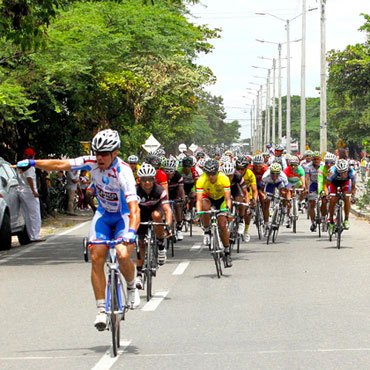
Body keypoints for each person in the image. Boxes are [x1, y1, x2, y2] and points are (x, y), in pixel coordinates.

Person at [16, 129, 140, 331]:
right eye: (97, 153)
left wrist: (132, 232)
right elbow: (59, 165)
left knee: (122, 253)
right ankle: (101, 309)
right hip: (103, 215)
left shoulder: (124, 171)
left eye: (104, 154)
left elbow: (134, 208)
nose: (99, 158)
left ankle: (132, 284)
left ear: (115, 153)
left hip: (122, 216)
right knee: (96, 254)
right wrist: (32, 163)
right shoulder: (90, 162)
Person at [135, 163, 172, 289]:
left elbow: (167, 210)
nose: (147, 183)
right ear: (139, 180)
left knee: (157, 215)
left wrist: (168, 225)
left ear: (154, 179)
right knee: (140, 244)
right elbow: (129, 211)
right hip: (141, 213)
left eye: (150, 179)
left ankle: (161, 245)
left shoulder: (159, 190)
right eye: (144, 180)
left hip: (156, 209)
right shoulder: (134, 191)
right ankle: (139, 274)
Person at [196, 159, 232, 267]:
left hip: (221, 200)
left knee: (222, 225)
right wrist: (198, 214)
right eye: (208, 174)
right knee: (204, 207)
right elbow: (198, 200)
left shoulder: (224, 178)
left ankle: (227, 251)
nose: (211, 176)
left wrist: (228, 211)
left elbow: (228, 198)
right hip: (208, 198)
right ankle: (207, 230)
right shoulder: (201, 180)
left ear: (217, 172)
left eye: (213, 174)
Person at [17, 148, 44, 242]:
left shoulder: (20, 165)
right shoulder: (30, 166)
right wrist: (34, 191)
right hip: (29, 192)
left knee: (26, 215)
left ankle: (30, 235)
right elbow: (30, 178)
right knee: (35, 214)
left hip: (21, 191)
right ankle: (35, 236)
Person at [324, 159, 356, 231]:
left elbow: (353, 188)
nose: (342, 175)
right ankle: (331, 221)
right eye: (340, 173)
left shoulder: (352, 173)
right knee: (332, 200)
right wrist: (327, 194)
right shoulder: (332, 172)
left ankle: (346, 220)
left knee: (346, 198)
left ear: (347, 169)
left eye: (344, 172)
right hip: (334, 183)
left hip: (345, 183)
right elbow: (326, 185)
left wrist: (352, 195)